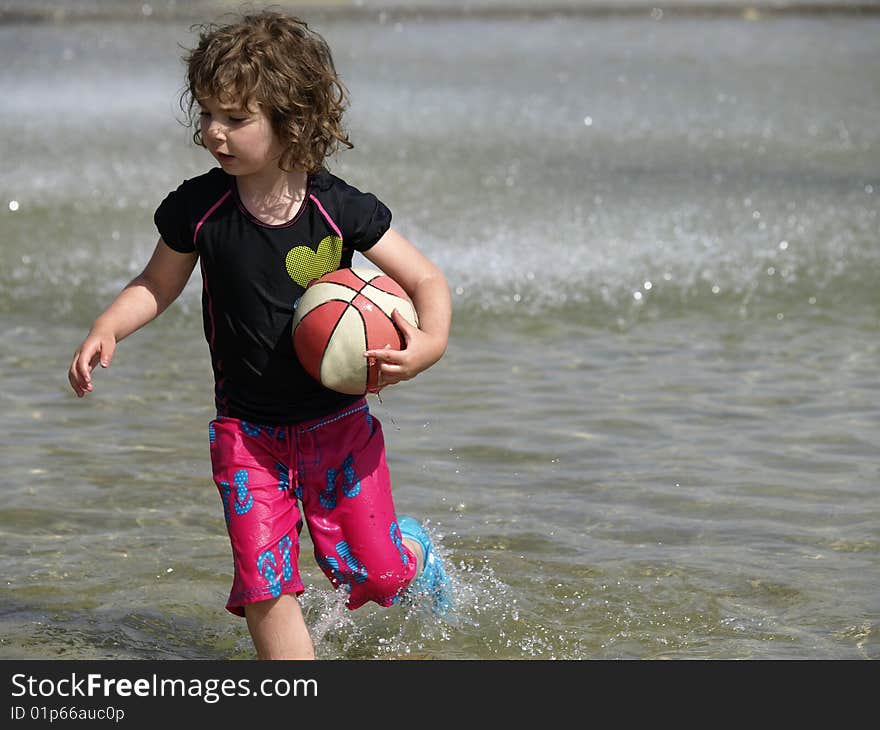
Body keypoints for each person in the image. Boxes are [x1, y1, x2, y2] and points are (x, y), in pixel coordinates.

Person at [67, 9, 453, 660]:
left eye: (235, 119)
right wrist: (109, 327)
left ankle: (412, 551)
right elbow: (155, 284)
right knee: (264, 582)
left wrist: (430, 345)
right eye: (208, 113)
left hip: (338, 426)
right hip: (247, 437)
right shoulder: (200, 208)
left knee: (373, 577)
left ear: (291, 122)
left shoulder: (339, 207)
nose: (213, 132)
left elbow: (427, 281)